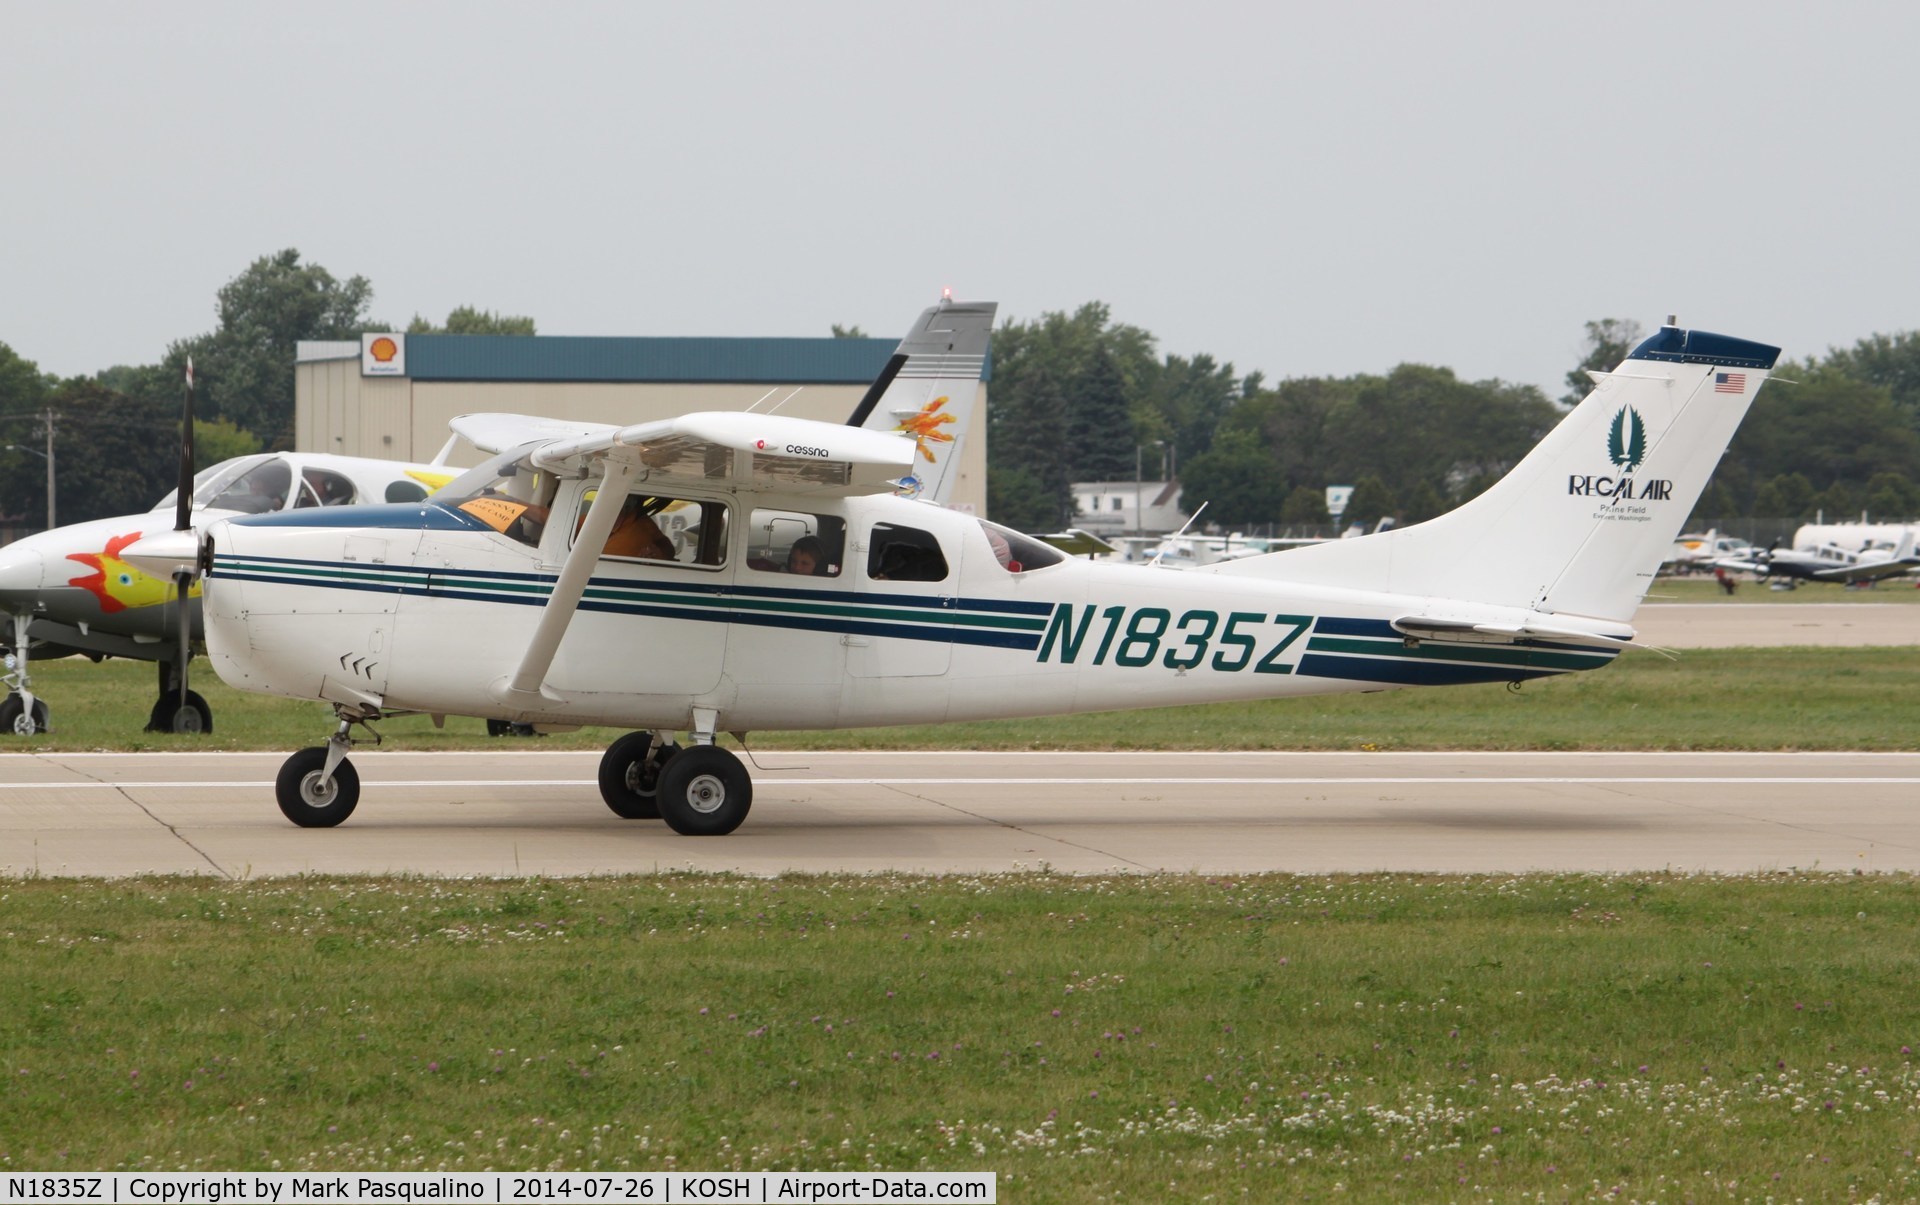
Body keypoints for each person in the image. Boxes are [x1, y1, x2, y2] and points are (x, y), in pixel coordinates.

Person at [604, 496, 677, 560]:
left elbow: (669, 549)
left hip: (636, 573)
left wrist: (658, 554)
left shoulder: (640, 520)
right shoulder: (595, 522)